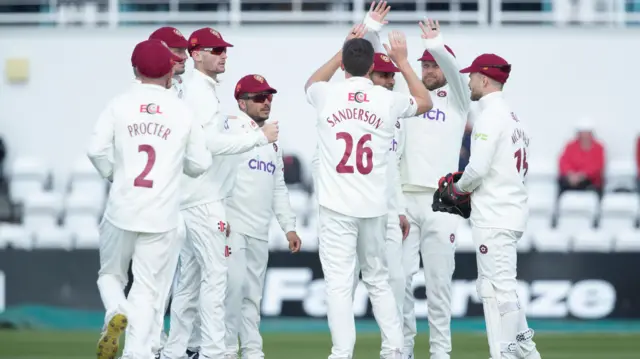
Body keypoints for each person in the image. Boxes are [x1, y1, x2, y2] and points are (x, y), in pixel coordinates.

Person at [304, 22, 432, 359]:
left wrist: (343, 48)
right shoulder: (386, 99)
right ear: (374, 67)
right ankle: (393, 349)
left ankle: (342, 353)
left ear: (343, 66)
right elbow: (424, 101)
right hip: (374, 207)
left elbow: (311, 83)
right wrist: (403, 62)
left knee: (339, 285)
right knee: (378, 280)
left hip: (335, 208)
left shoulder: (326, 94)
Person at [89, 39, 212, 359]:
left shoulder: (119, 104)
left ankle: (116, 308)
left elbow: (96, 151)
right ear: (170, 73)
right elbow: (200, 163)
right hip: (162, 215)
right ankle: (137, 354)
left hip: (121, 208)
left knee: (110, 276)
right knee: (147, 290)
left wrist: (114, 173)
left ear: (134, 70)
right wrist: (175, 162)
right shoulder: (182, 111)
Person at [162, 28, 279, 359]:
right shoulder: (199, 91)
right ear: (196, 54)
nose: (223, 54)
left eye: (224, 49)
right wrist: (259, 138)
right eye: (215, 50)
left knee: (188, 284)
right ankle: (215, 353)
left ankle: (175, 351)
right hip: (204, 200)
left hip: (190, 199)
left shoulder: (199, 89)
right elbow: (209, 144)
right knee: (217, 280)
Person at [439, 53, 541, 359]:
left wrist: (457, 189)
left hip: (494, 216)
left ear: (484, 79)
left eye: (472, 76)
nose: (468, 81)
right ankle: (526, 347)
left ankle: (505, 352)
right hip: (509, 211)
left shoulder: (489, 117)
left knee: (497, 291)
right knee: (494, 285)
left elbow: (478, 169)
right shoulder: (515, 120)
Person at [394, 18, 470, 359]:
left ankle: (440, 353)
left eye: (432, 64)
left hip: (443, 201)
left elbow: (457, 74)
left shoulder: (457, 99)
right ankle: (404, 348)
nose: (427, 69)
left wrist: (438, 44)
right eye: (424, 64)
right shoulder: (408, 96)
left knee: (439, 285)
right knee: (400, 281)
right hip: (406, 198)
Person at [223, 74, 303, 359]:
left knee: (251, 297)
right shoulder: (230, 128)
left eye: (269, 97)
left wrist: (289, 227)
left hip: (259, 229)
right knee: (230, 293)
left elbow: (277, 186)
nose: (266, 102)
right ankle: (228, 351)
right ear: (242, 103)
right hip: (232, 227)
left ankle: (253, 352)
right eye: (259, 97)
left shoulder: (272, 141)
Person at [558, 121, 605, 196]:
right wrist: (570, 174)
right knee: (562, 182)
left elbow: (597, 166)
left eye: (587, 133)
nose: (585, 136)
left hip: (589, 180)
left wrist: (581, 176)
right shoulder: (570, 146)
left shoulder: (599, 147)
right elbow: (563, 161)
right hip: (571, 179)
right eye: (582, 133)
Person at [149, 26, 190, 98]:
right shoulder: (148, 93)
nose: (185, 57)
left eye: (184, 51)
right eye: (179, 51)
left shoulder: (182, 85)